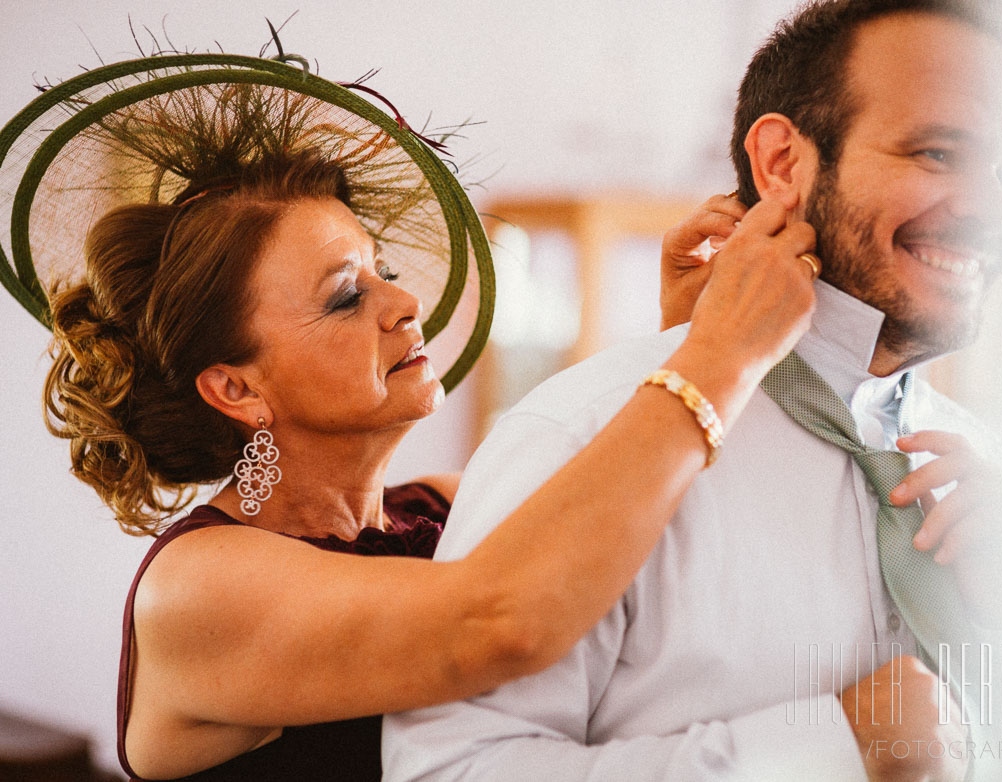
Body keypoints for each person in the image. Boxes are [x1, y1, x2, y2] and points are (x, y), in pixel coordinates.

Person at [0, 42, 825, 782]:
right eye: (345, 296)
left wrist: (673, 340)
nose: (401, 302)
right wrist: (713, 356)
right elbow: (500, 621)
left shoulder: (442, 503)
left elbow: (637, 529)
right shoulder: (200, 592)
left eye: (383, 268)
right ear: (236, 389)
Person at [382, 1, 1002, 780]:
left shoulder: (997, 482)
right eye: (934, 152)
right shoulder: (581, 429)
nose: (990, 209)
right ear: (783, 164)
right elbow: (448, 772)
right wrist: (828, 752)